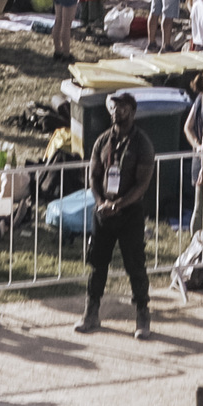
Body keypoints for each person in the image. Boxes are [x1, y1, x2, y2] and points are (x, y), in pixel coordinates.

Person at [76, 93, 156, 339]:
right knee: (97, 263)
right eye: (114, 107)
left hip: (130, 212)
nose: (116, 111)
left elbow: (142, 184)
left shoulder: (142, 144)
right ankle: (91, 312)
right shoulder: (102, 141)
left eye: (122, 108)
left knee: (135, 264)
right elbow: (93, 176)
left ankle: (142, 313)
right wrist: (101, 202)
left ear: (132, 112)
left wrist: (119, 204)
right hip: (103, 213)